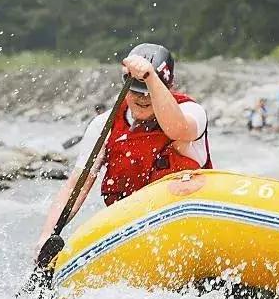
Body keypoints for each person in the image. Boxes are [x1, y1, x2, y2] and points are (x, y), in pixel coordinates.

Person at [34, 43, 212, 253]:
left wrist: (150, 78)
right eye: (136, 91)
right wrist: (47, 235)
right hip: (134, 235)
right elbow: (76, 186)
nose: (142, 98)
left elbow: (177, 130)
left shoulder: (191, 111)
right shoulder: (104, 126)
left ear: (167, 87)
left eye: (149, 92)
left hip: (188, 228)